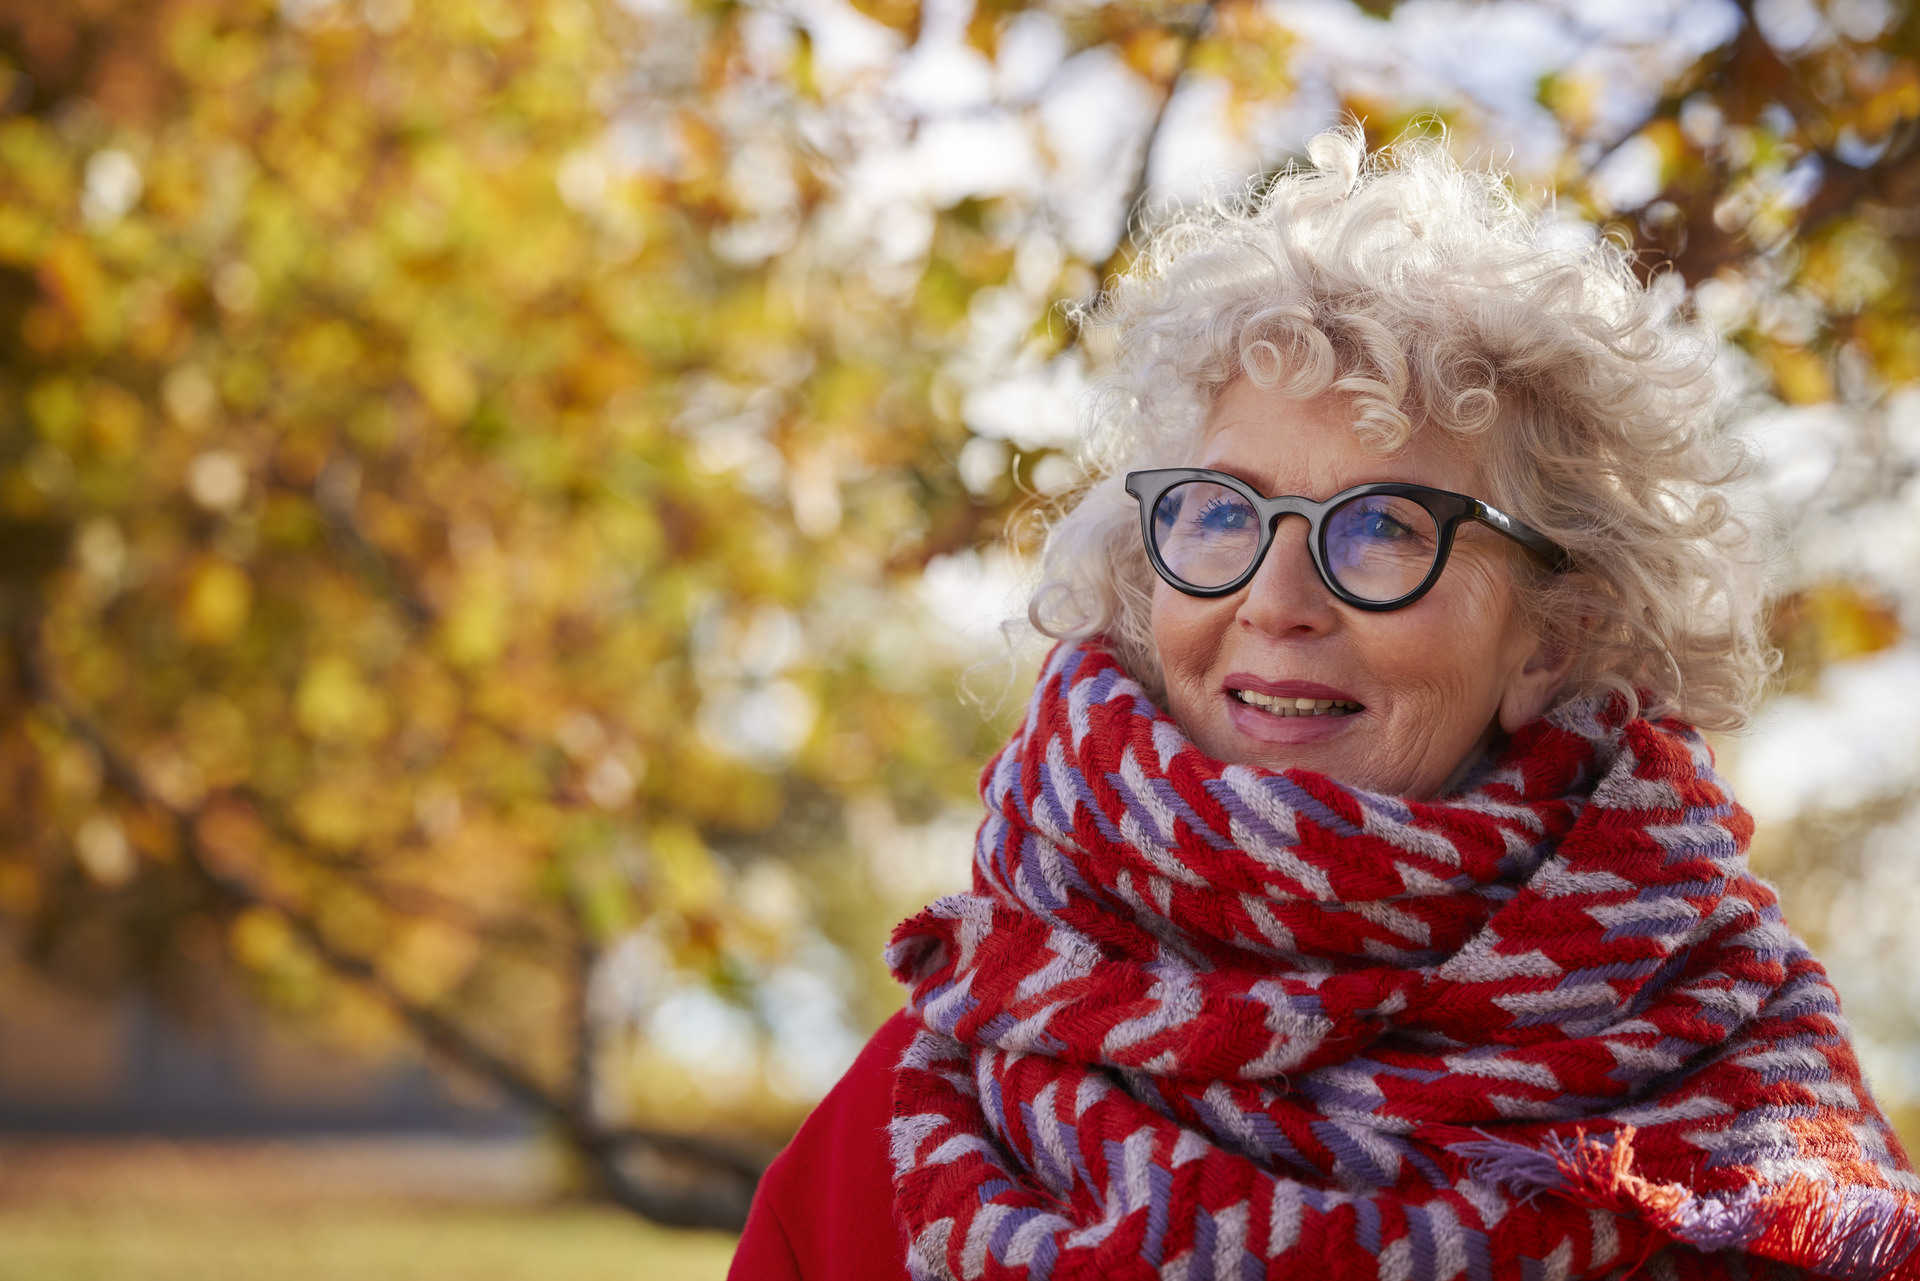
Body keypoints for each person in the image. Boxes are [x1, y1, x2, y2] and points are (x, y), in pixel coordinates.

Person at [730, 128, 1920, 1281]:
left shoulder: (1748, 1099)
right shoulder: (934, 1098)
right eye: (1223, 512)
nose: (1276, 600)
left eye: (1386, 527)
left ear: (1554, 638)